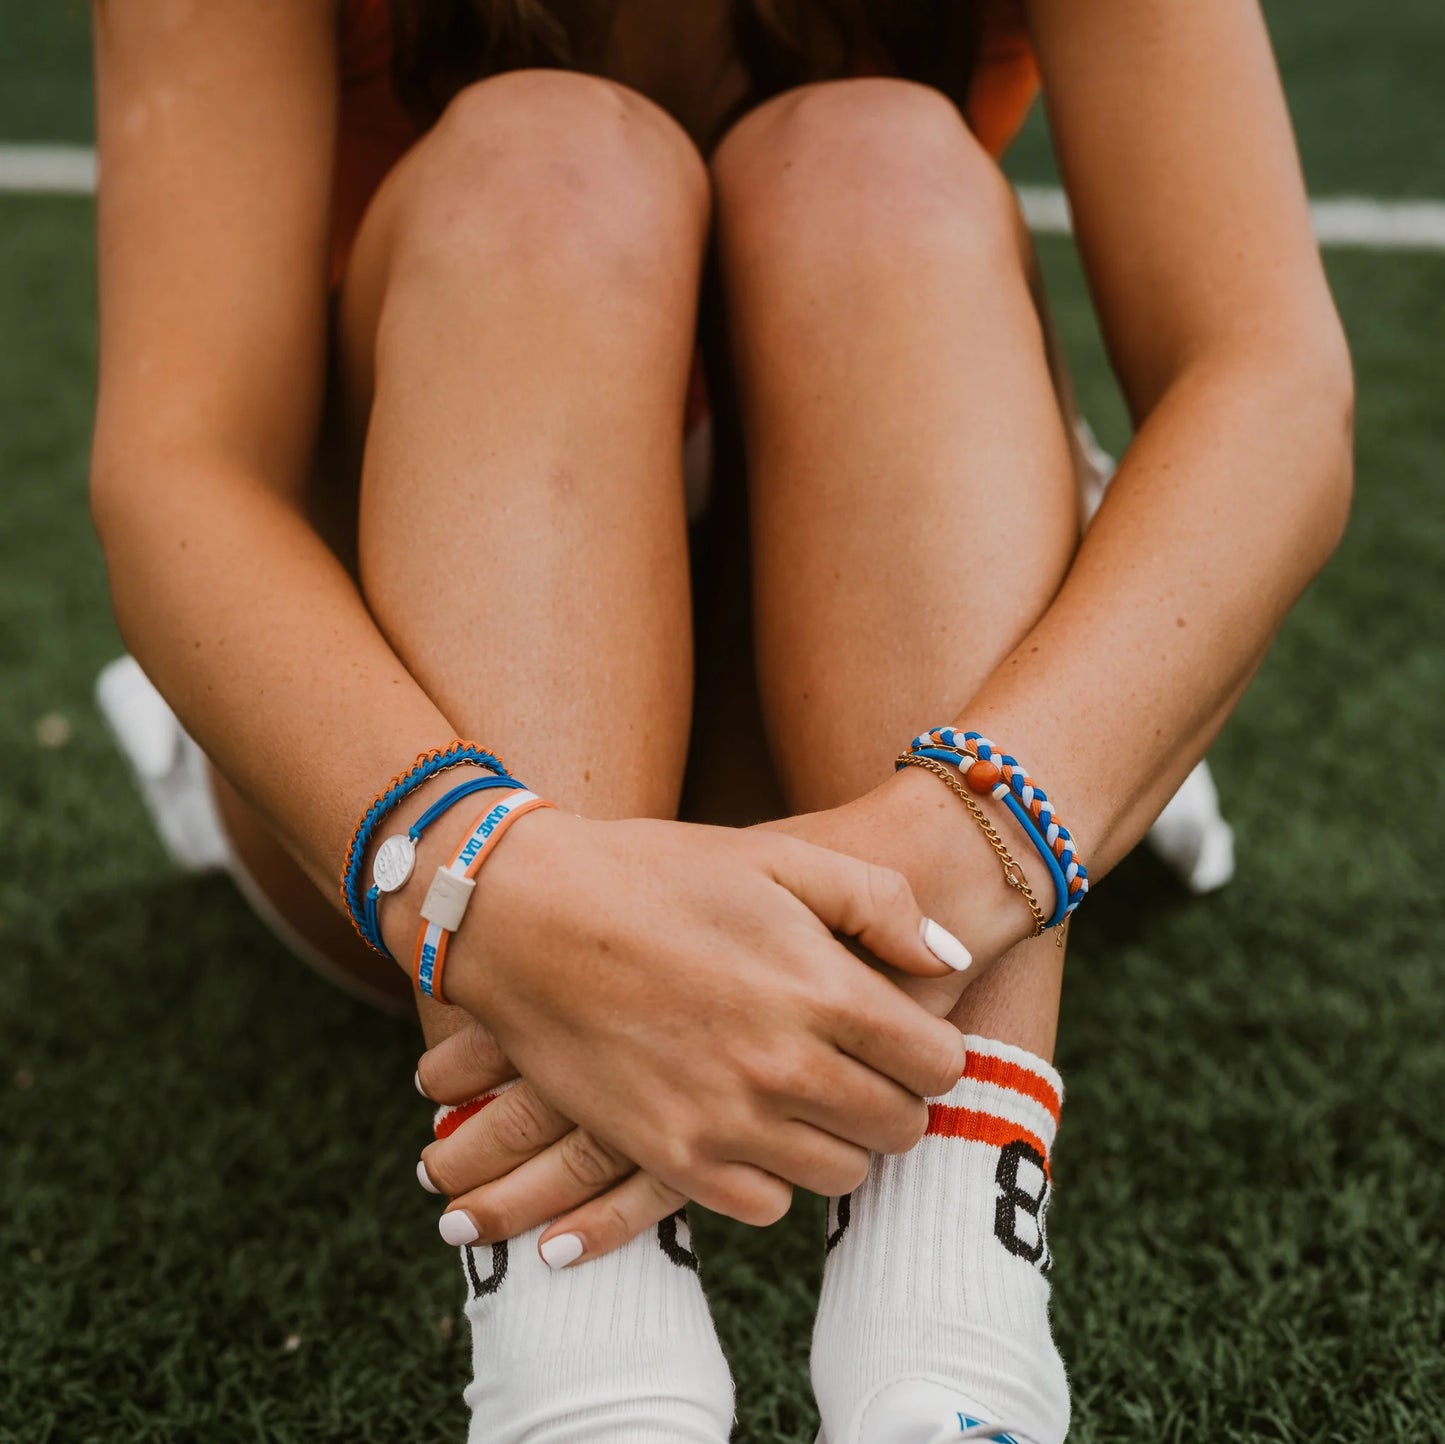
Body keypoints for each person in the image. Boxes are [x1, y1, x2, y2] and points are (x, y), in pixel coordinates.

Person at [88, 1, 1352, 1440]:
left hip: (897, 723)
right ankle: (580, 1361)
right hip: (407, 754)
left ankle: (952, 1334)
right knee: (542, 158)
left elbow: (1268, 382)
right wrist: (482, 872)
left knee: (873, 157)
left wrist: (976, 828)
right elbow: (179, 472)